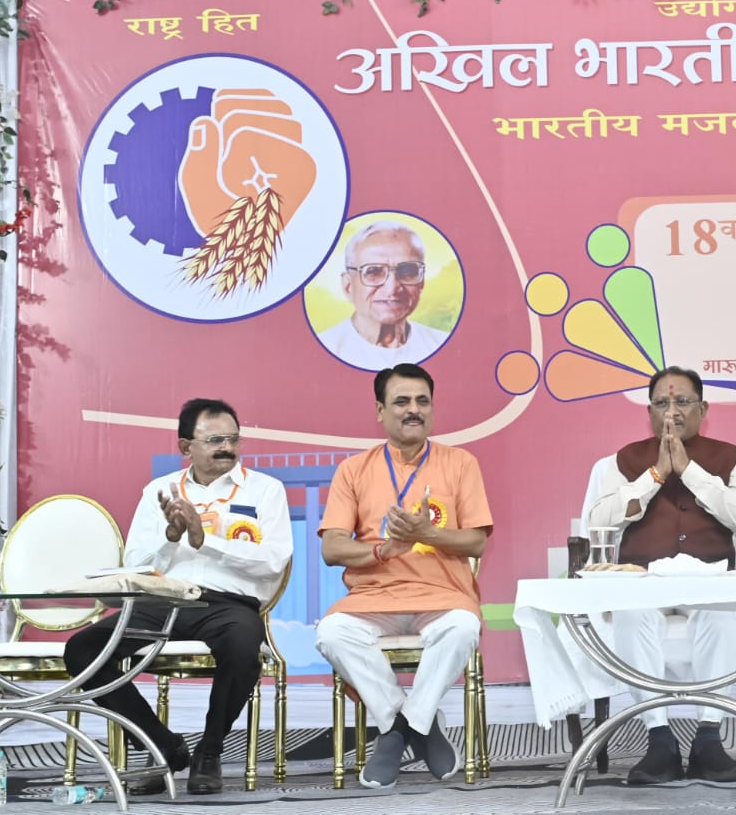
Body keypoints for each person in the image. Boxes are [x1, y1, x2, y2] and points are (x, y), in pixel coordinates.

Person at [65, 399, 292, 795]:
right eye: (215, 440)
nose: (227, 448)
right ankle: (163, 745)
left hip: (228, 605)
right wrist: (171, 538)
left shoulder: (266, 490)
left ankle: (209, 752)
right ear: (186, 447)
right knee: (83, 650)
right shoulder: (159, 490)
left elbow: (274, 562)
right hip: (162, 603)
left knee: (243, 648)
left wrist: (207, 541)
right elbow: (135, 565)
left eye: (233, 439)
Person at [585, 366, 736, 784]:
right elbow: (599, 520)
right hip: (644, 579)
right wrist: (654, 476)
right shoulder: (623, 461)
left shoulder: (733, 458)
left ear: (703, 409)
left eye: (682, 402)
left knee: (719, 612)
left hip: (708, 577)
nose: (672, 411)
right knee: (631, 614)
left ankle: (708, 738)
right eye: (661, 403)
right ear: (649, 411)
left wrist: (690, 472)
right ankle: (659, 741)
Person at [314, 363, 491, 789]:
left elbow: (476, 542)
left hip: (442, 594)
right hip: (374, 597)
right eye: (402, 402)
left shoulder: (460, 463)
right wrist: (382, 550)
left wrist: (427, 534)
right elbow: (331, 548)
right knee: (332, 632)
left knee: (463, 626)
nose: (414, 410)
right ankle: (415, 725)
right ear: (380, 411)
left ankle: (398, 731)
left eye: (422, 401)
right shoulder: (354, 469)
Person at [316, 222, 449, 369]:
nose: (392, 288)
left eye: (407, 271)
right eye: (373, 272)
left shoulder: (442, 346)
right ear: (348, 286)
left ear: (421, 282)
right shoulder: (324, 350)